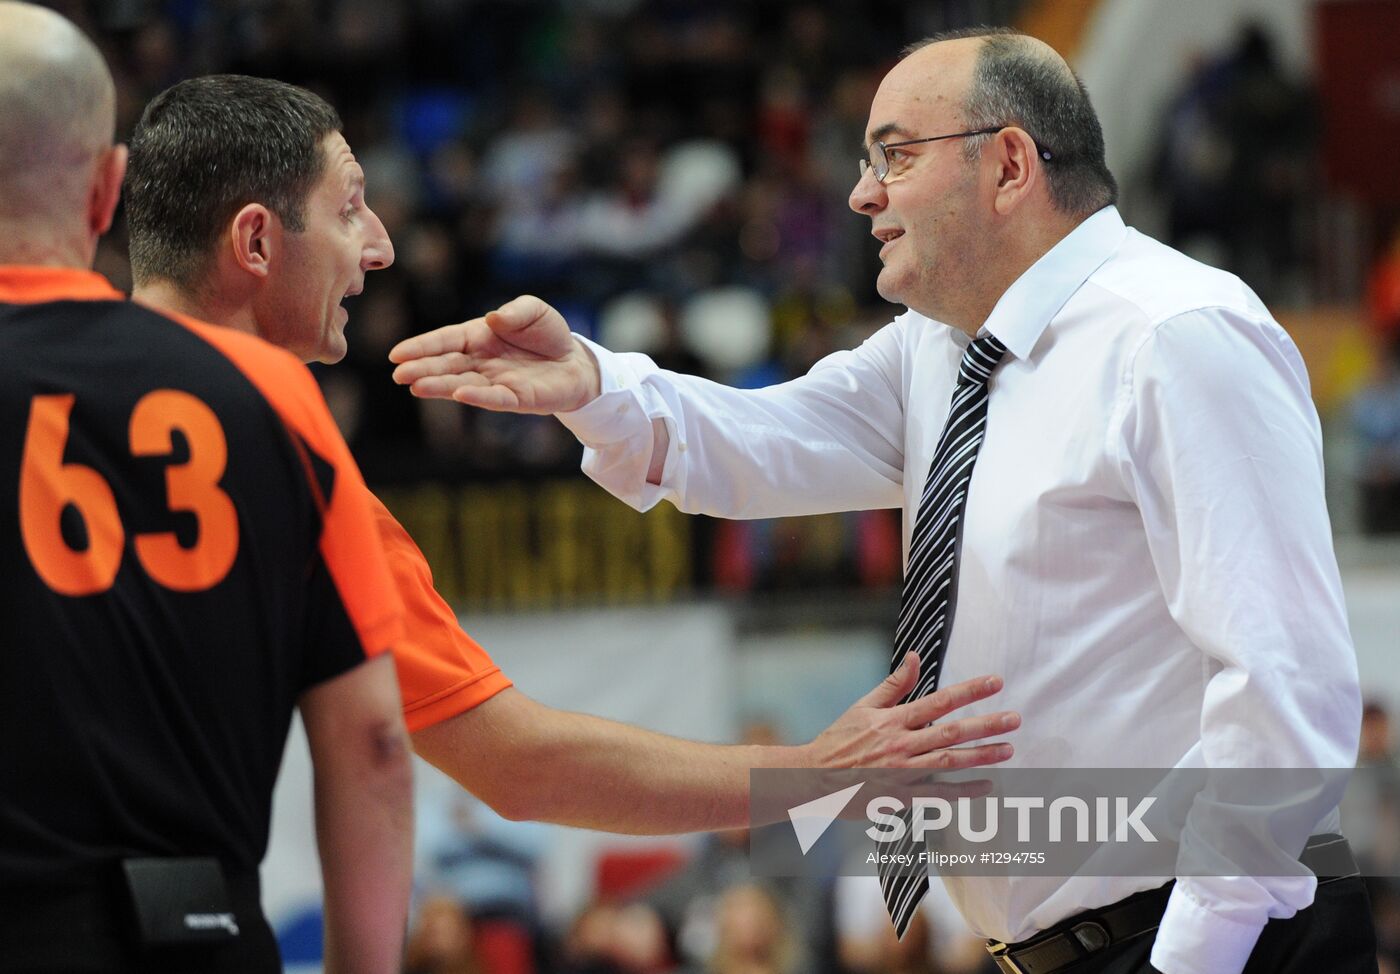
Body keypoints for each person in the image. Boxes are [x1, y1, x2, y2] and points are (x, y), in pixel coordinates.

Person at [390, 27, 1374, 974]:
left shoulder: (1176, 334)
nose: (861, 193)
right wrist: (591, 382)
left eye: (892, 155)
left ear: (1008, 164)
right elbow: (755, 444)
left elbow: (1282, 682)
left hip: (1216, 936)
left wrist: (1192, 953)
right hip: (1072, 943)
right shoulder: (937, 345)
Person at [124, 73, 1021, 836]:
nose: (381, 246)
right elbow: (517, 764)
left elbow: (777, 438)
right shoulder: (291, 467)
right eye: (350, 207)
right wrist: (810, 770)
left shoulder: (30, 387)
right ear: (254, 241)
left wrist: (595, 384)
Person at [0, 5, 412, 973]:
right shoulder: (275, 408)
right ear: (106, 188)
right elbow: (410, 745)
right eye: (352, 206)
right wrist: (803, 791)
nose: (380, 246)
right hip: (190, 933)